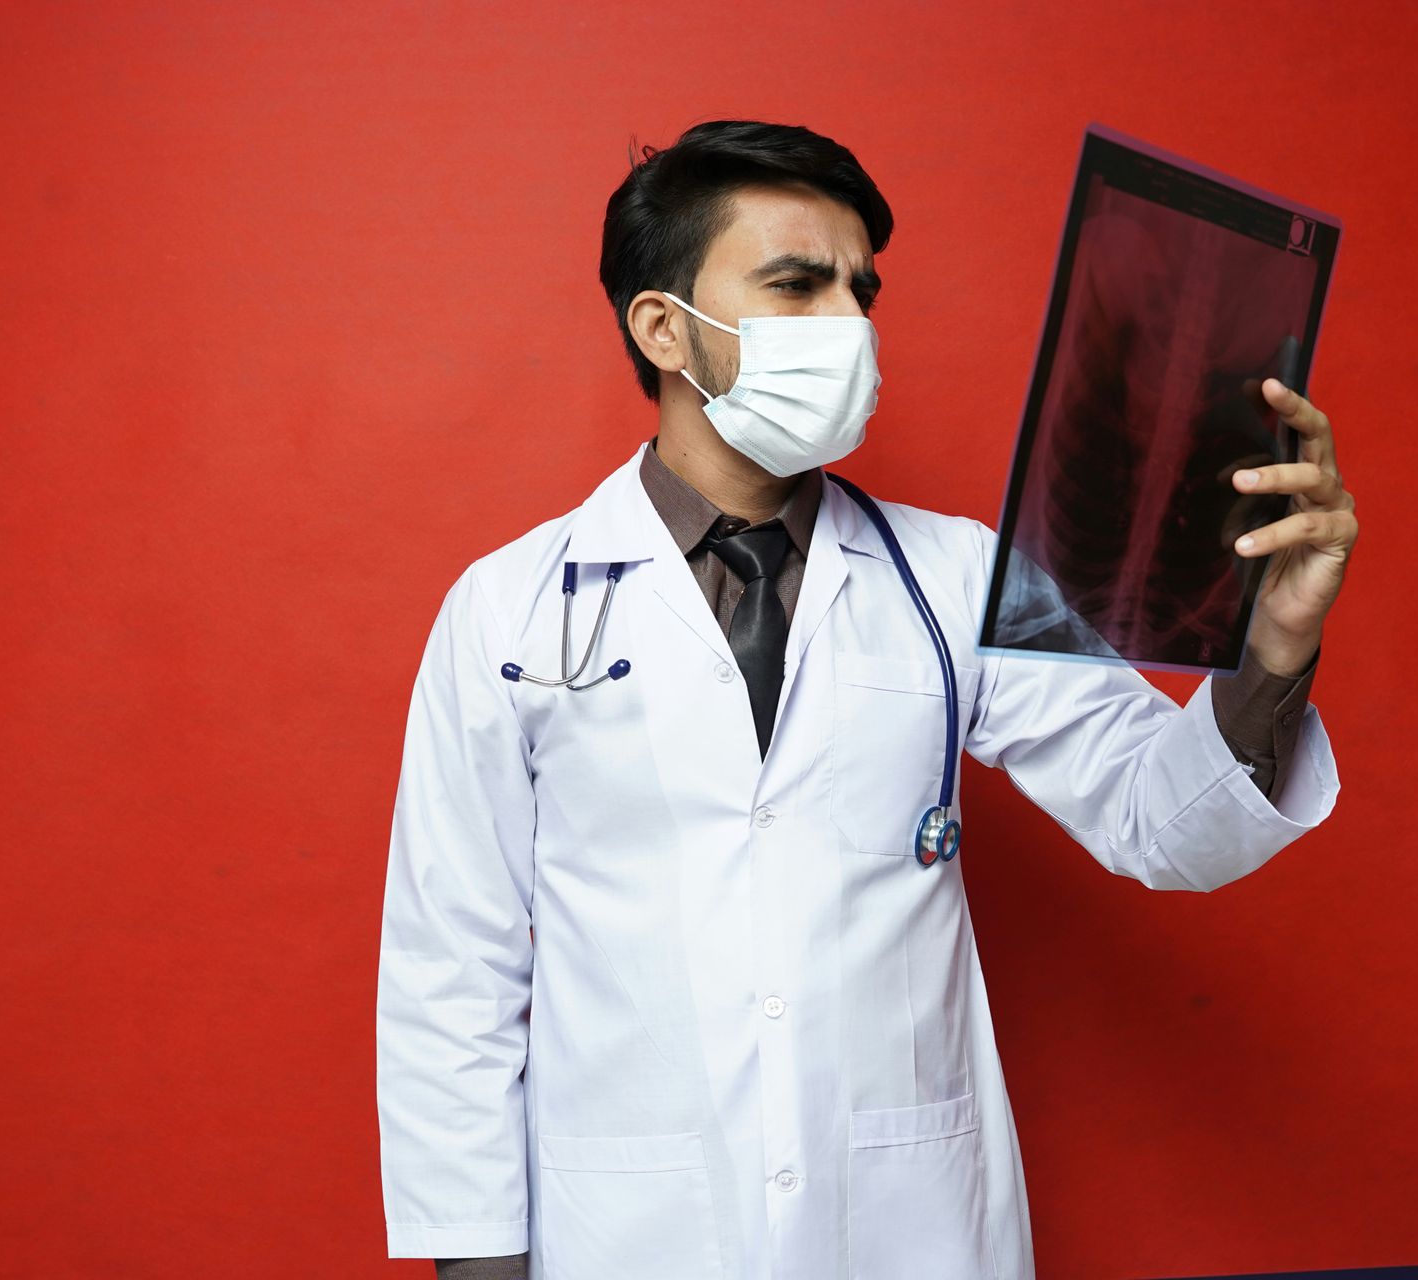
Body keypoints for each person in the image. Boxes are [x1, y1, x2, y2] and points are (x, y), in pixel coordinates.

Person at [377, 119, 1355, 1280]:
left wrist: (1275, 648)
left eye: (861, 289)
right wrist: (479, 1264)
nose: (849, 324)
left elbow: (1162, 819)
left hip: (910, 1227)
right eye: (797, 285)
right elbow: (453, 968)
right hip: (630, 1232)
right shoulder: (507, 607)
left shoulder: (963, 575)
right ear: (663, 327)